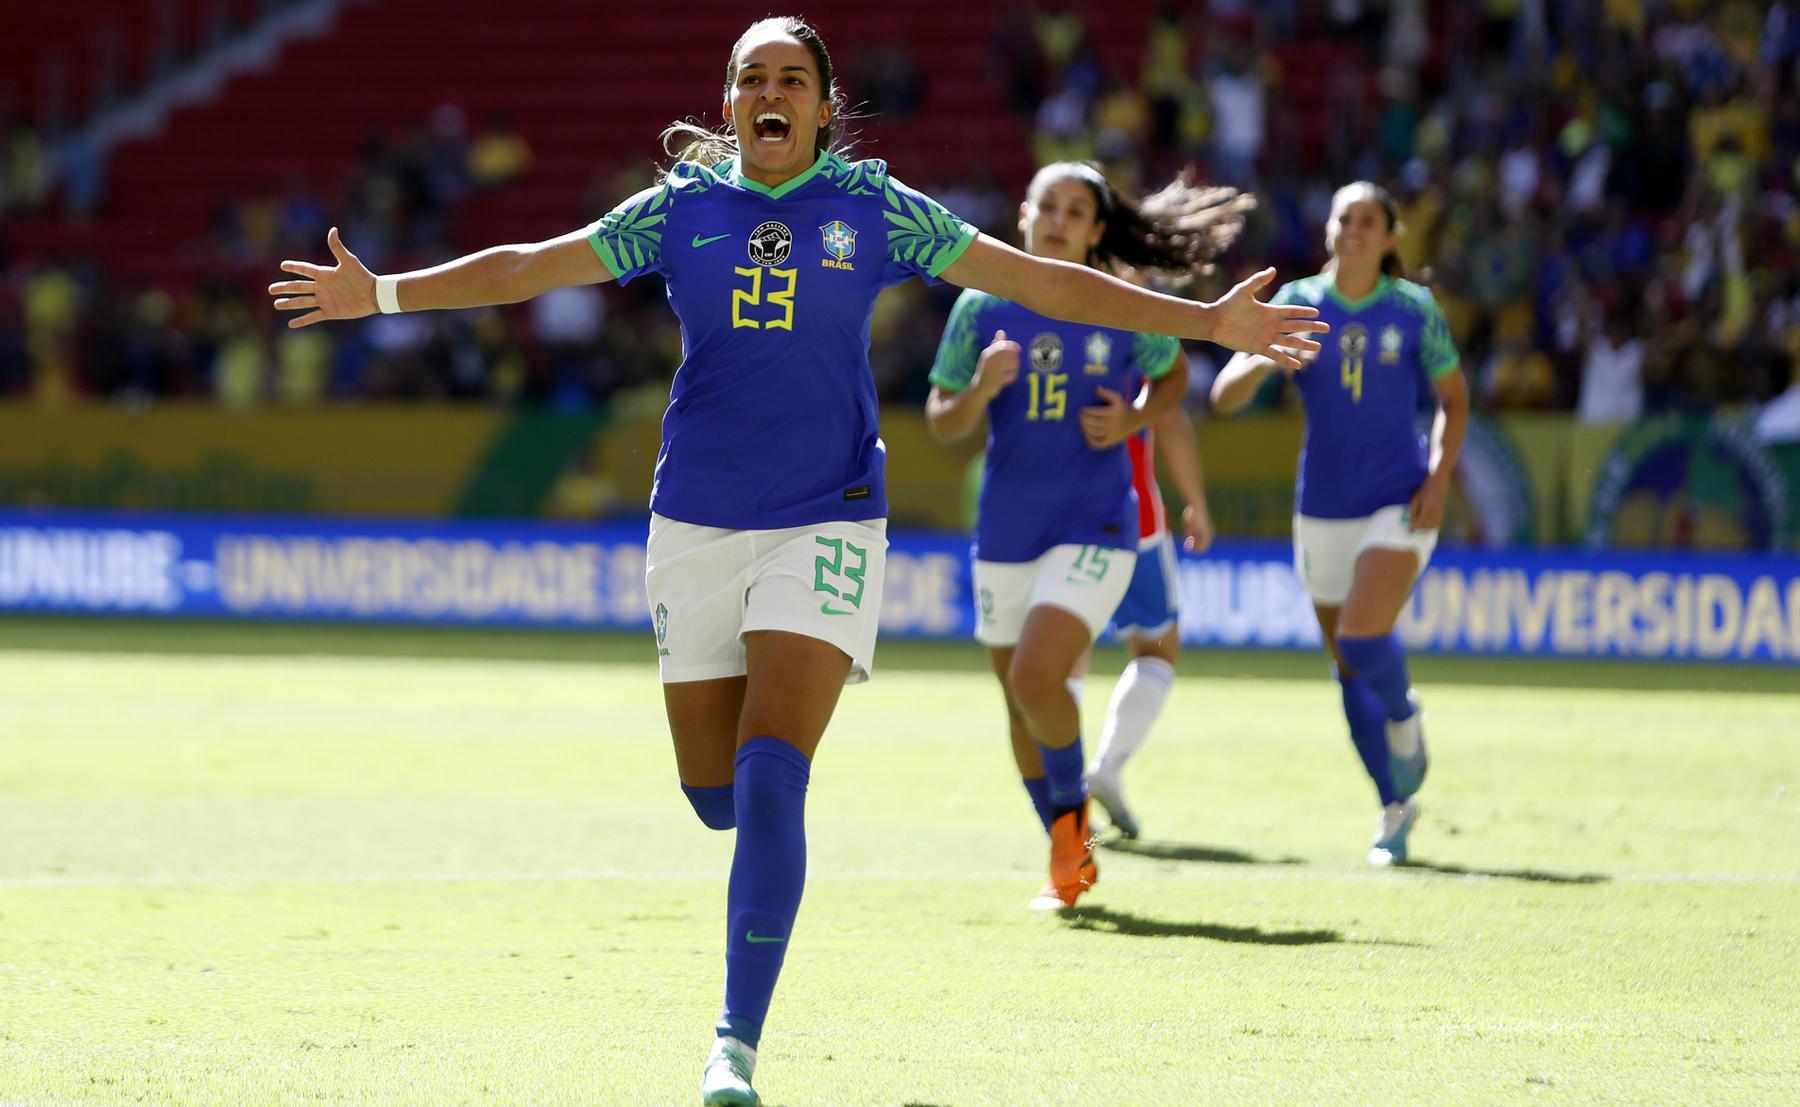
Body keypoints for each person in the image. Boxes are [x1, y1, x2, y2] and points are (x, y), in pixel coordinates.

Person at [270, 21, 1325, 1104]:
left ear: (827, 106)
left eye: (792, 78)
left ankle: (735, 1044)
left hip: (829, 518)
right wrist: (382, 292)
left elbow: (1043, 285)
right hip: (695, 521)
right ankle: (761, 871)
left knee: (776, 774)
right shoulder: (678, 209)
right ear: (729, 103)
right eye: (751, 79)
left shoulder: (875, 206)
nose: (770, 93)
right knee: (713, 794)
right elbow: (533, 267)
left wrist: (1205, 321)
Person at [924, 161, 1250, 909]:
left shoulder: (1119, 304)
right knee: (1017, 702)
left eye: (1077, 211)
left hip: (1098, 524)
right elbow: (944, 420)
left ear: (1098, 230)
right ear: (1023, 214)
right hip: (1007, 527)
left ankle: (1071, 836)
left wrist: (1135, 416)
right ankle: (1067, 842)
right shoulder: (980, 306)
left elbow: (1171, 382)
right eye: (1049, 206)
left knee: (1039, 676)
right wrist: (979, 389)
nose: (1060, 220)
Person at [1210, 180, 1468, 867]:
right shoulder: (1297, 303)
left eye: (1367, 220)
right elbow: (1224, 395)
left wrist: (1439, 480)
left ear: (1389, 238)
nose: (1352, 229)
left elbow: (1453, 399)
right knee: (1346, 667)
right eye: (1342, 217)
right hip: (1320, 507)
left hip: (1399, 500)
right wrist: (1264, 356)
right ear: (1328, 231)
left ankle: (1407, 717)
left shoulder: (1414, 309)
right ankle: (1394, 806)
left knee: (1361, 633)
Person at [1084, 394, 1214, 840]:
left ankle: (1060, 799)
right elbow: (1171, 416)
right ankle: (1106, 766)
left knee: (1058, 655)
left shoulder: (1029, 324)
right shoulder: (1145, 330)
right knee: (1156, 649)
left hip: (1047, 520)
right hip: (1130, 517)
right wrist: (1195, 500)